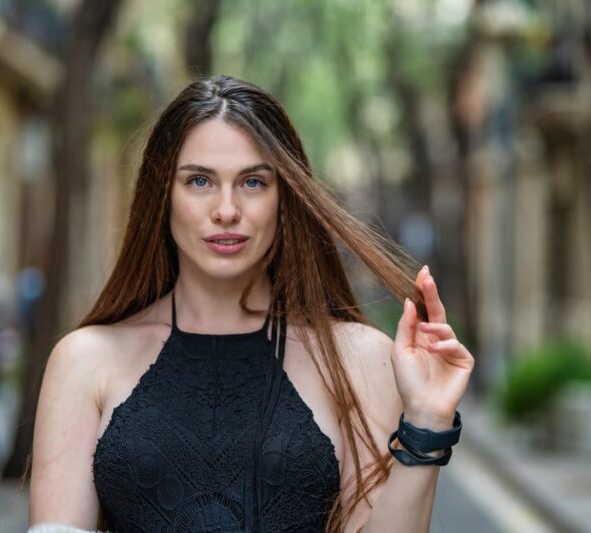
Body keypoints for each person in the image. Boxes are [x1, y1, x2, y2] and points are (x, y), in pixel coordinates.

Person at [28, 75, 474, 533]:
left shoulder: (359, 359)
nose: (226, 209)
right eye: (199, 180)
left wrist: (426, 420)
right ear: (162, 195)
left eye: (253, 182)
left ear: (284, 199)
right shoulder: (84, 362)